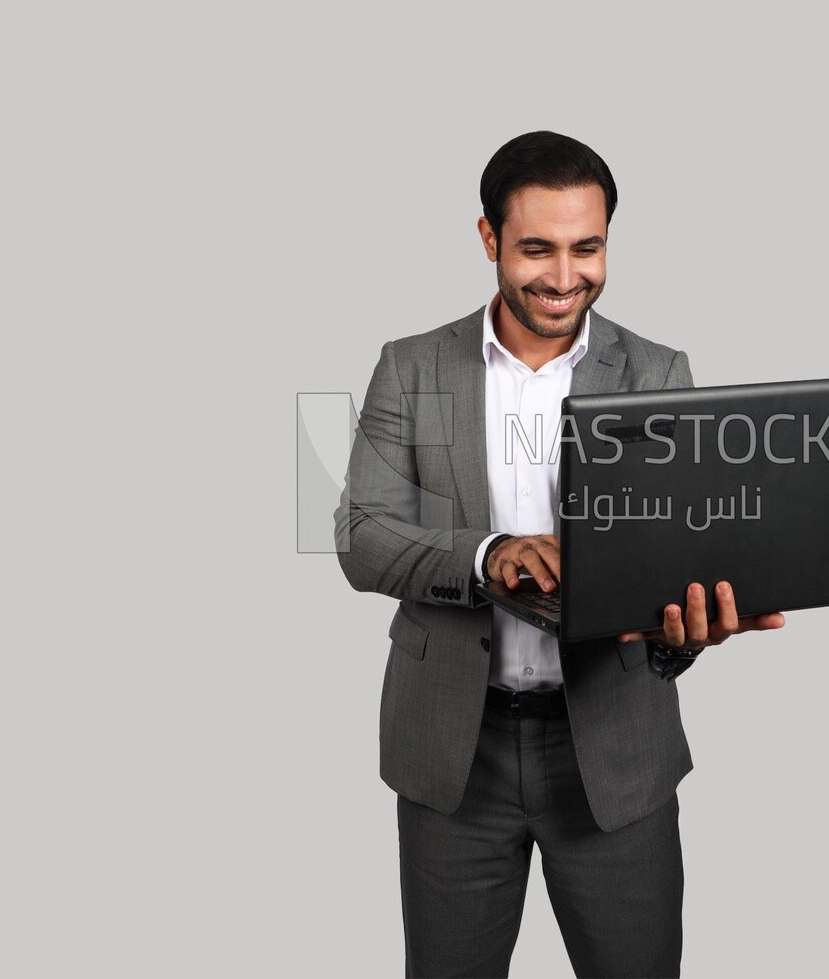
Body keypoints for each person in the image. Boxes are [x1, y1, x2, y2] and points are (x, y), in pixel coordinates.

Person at [335, 130, 783, 978]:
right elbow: (363, 536)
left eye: (589, 247)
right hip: (452, 754)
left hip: (613, 751)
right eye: (537, 248)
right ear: (488, 240)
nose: (565, 275)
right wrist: (491, 553)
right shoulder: (410, 368)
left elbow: (669, 569)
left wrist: (687, 632)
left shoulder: (656, 372)